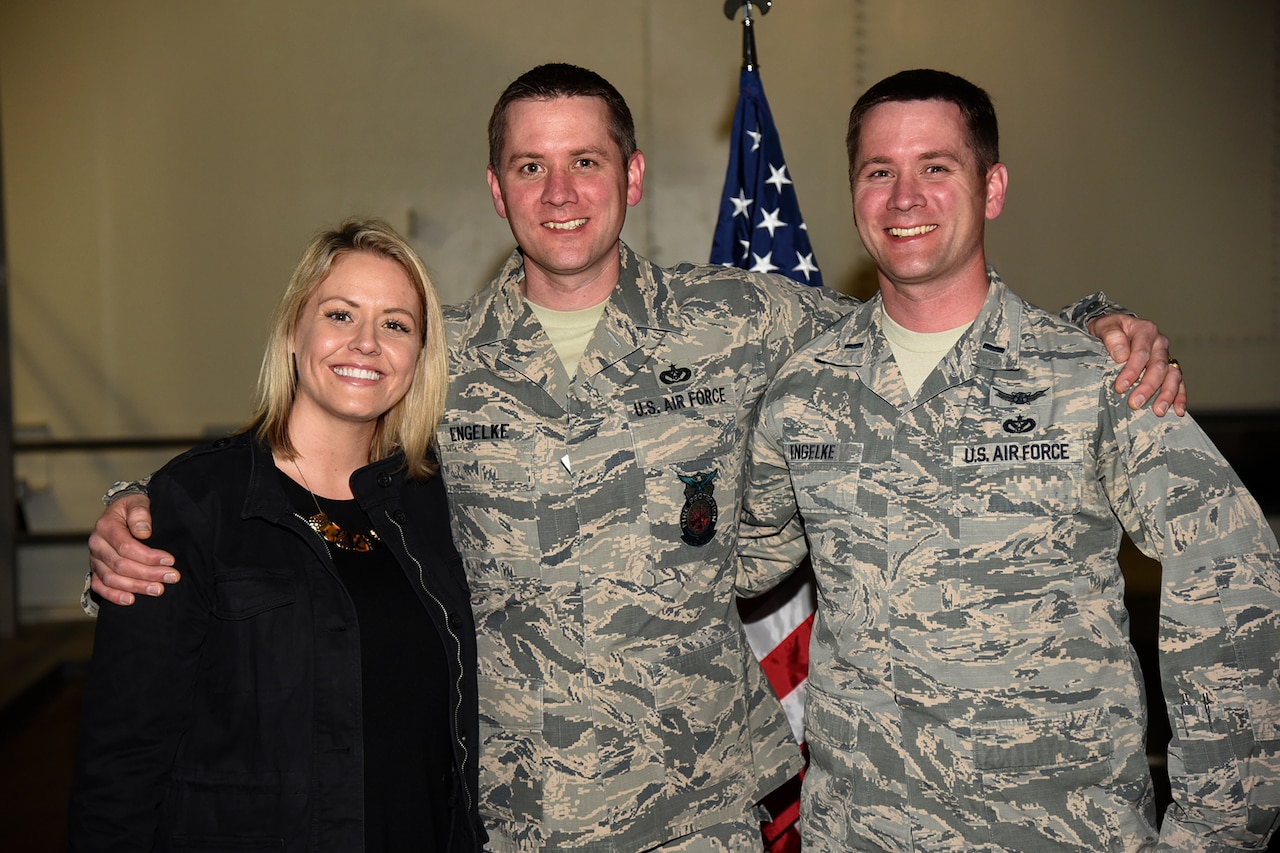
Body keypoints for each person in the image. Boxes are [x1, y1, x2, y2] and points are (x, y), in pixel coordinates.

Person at [86, 65, 1187, 851]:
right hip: (506, 811)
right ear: (495, 187)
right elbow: (298, 457)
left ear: (631, 172)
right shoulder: (434, 355)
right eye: (530, 165)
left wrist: (1096, 321)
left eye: (584, 161)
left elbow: (919, 310)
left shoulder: (742, 320)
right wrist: (145, 507)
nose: (559, 191)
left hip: (694, 807)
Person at [737, 68, 1280, 851]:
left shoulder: (1093, 376)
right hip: (861, 833)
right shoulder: (804, 390)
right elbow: (740, 565)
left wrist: (1217, 828)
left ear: (991, 188)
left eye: (936, 167)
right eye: (878, 171)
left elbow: (1232, 562)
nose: (904, 197)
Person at [69, 219, 486, 851]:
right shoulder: (196, 506)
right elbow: (122, 759)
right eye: (341, 315)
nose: (367, 343)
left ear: (419, 357)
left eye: (396, 324)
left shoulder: (427, 503)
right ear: (294, 330)